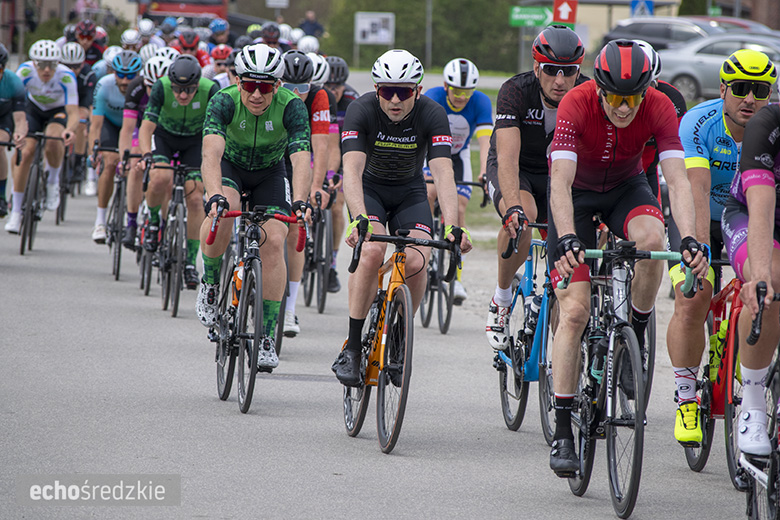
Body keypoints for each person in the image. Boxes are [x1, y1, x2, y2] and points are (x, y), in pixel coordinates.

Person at [544, 39, 708, 475]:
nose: (623, 107)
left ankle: (633, 329)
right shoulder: (576, 103)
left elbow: (677, 178)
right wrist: (563, 238)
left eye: (632, 97)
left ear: (646, 90)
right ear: (598, 89)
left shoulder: (658, 106)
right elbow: (559, 180)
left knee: (654, 240)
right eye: (614, 97)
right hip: (575, 196)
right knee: (575, 312)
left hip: (625, 188)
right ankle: (563, 428)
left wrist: (689, 237)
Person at [330, 49, 472, 386]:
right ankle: (351, 346)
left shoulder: (432, 114)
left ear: (418, 91)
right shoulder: (361, 110)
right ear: (377, 89)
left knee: (418, 259)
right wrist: (358, 218)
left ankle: (398, 335)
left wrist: (453, 224)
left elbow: (443, 173)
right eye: (387, 91)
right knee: (371, 252)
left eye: (404, 91)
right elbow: (351, 171)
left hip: (410, 192)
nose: (395, 99)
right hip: (370, 191)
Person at [669, 49, 776, 447]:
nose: (750, 99)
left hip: (745, 219)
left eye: (760, 90)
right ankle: (684, 395)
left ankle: (741, 353)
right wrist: (695, 250)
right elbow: (695, 190)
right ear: (724, 88)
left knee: (762, 286)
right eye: (741, 89)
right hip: (696, 219)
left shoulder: (769, 128)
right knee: (693, 298)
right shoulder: (699, 122)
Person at [197, 44, 313, 369]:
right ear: (238, 81)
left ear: (277, 85)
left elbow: (301, 158)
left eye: (265, 86)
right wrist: (214, 193)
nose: (257, 94)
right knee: (223, 209)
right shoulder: (223, 101)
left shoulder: (291, 107)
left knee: (274, 241)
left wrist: (301, 200)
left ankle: (265, 334)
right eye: (250, 85)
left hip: (270, 173)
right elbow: (211, 154)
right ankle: (209, 283)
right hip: (230, 167)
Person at [485, 25, 587, 350]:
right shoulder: (515, 91)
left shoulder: (588, 94)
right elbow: (507, 158)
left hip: (559, 175)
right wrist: (512, 206)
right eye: (551, 70)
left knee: (572, 254)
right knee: (523, 218)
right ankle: (501, 301)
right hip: (517, 170)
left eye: (568, 72)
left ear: (578, 71)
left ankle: (558, 358)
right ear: (536, 67)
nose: (560, 81)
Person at [722, 102, 780, 457]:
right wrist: (759, 276)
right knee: (770, 282)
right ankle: (754, 406)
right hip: (751, 215)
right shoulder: (767, 125)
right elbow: (761, 206)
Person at [136, 55, 219, 289]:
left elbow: (220, 130)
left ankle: (190, 263)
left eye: (189, 90)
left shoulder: (211, 89)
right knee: (161, 176)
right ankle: (153, 223)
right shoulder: (161, 87)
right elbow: (147, 127)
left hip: (195, 141)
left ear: (197, 85)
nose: (182, 95)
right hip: (165, 137)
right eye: (178, 90)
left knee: (195, 198)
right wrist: (146, 155)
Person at [424, 58, 493, 304]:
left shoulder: (481, 102)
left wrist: (485, 172)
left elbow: (486, 141)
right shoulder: (432, 97)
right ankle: (424, 257)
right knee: (430, 193)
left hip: (458, 156)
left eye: (467, 92)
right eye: (456, 91)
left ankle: (456, 278)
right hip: (429, 154)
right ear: (445, 86)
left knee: (460, 208)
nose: (462, 97)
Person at [279, 49, 334, 337]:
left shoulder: (319, 97)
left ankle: (289, 309)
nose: (297, 94)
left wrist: (316, 186)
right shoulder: (271, 94)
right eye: (290, 88)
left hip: (301, 160)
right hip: (272, 159)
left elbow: (321, 146)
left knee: (295, 228)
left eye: (303, 88)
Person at [6, 40, 79, 234]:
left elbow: (73, 112)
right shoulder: (24, 72)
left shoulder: (66, 76)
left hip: (57, 111)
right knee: (26, 151)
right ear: (34, 63)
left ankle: (53, 182)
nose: (47, 70)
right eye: (41, 64)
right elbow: (13, 101)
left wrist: (70, 130)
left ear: (58, 64)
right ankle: (16, 210)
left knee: (54, 140)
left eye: (52, 65)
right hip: (32, 109)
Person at [118, 55, 173, 250]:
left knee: (167, 179)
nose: (153, 92)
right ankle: (131, 223)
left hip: (164, 133)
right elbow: (127, 128)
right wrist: (125, 157)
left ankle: (162, 225)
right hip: (141, 128)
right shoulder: (136, 87)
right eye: (150, 87)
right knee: (135, 166)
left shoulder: (175, 92)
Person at [88, 50, 143, 243]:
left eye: (131, 76)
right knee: (109, 162)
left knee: (136, 166)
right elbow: (95, 125)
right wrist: (93, 151)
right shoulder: (104, 85)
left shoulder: (143, 87)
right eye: (121, 75)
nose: (125, 81)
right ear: (113, 73)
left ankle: (137, 215)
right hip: (111, 125)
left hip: (135, 124)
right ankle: (100, 221)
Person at [323, 55, 359, 293]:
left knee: (337, 209)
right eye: (328, 86)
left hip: (345, 156)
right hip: (320, 153)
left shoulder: (352, 100)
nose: (333, 91)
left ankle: (332, 263)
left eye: (337, 86)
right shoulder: (318, 98)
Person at [60, 42, 96, 190]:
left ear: (82, 64)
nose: (72, 70)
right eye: (68, 66)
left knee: (81, 121)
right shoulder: (58, 73)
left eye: (76, 67)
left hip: (81, 102)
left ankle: (78, 163)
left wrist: (91, 125)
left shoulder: (89, 75)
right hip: (62, 103)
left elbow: (91, 105)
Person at [0, 43, 28, 218]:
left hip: (3, 118)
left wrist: (20, 134)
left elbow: (20, 118)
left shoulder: (13, 82)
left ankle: (1, 195)